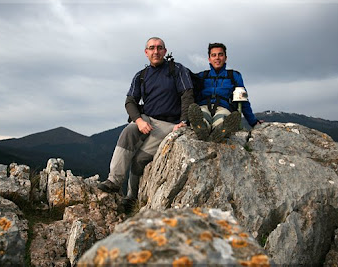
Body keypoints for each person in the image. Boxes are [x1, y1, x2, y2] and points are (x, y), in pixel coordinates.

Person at [98, 37, 194, 212]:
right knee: (128, 132)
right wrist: (139, 120)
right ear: (146, 52)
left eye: (159, 48)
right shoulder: (141, 76)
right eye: (151, 48)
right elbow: (130, 101)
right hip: (147, 119)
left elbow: (187, 94)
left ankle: (131, 197)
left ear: (165, 51)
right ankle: (114, 180)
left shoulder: (177, 70)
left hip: (170, 124)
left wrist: (183, 122)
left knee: (139, 160)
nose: (155, 51)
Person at [189, 43, 263, 142]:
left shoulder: (234, 75)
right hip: (204, 105)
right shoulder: (201, 76)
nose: (217, 58)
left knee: (221, 119)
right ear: (209, 59)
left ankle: (220, 130)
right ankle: (202, 128)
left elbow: (243, 99)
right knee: (202, 115)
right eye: (214, 55)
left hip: (224, 107)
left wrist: (253, 122)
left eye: (220, 54)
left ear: (225, 57)